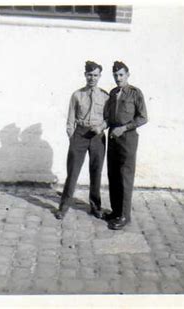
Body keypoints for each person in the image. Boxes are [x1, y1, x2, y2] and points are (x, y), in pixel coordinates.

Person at [55, 61, 109, 220]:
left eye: (95, 75)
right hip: (80, 134)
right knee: (72, 173)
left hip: (97, 135)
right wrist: (72, 136)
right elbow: (70, 119)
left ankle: (95, 207)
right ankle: (63, 207)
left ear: (99, 76)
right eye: (89, 75)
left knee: (96, 172)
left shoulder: (105, 96)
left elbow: (108, 118)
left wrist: (102, 127)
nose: (92, 78)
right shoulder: (77, 95)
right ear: (85, 75)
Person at [103, 61, 148, 230]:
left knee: (125, 176)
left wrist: (125, 128)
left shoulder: (135, 93)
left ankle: (124, 216)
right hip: (113, 136)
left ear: (128, 75)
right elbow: (108, 116)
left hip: (128, 138)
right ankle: (115, 211)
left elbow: (143, 117)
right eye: (115, 75)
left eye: (121, 75)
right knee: (113, 174)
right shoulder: (113, 93)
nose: (118, 78)